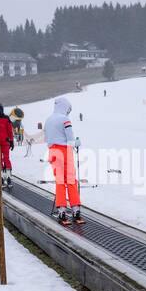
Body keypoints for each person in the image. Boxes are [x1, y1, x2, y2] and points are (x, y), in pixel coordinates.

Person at [44, 96, 84, 225]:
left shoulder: (48, 120)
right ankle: (75, 210)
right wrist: (76, 143)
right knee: (71, 180)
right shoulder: (65, 119)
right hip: (64, 151)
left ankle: (61, 210)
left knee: (60, 182)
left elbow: (47, 138)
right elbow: (70, 138)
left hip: (52, 152)